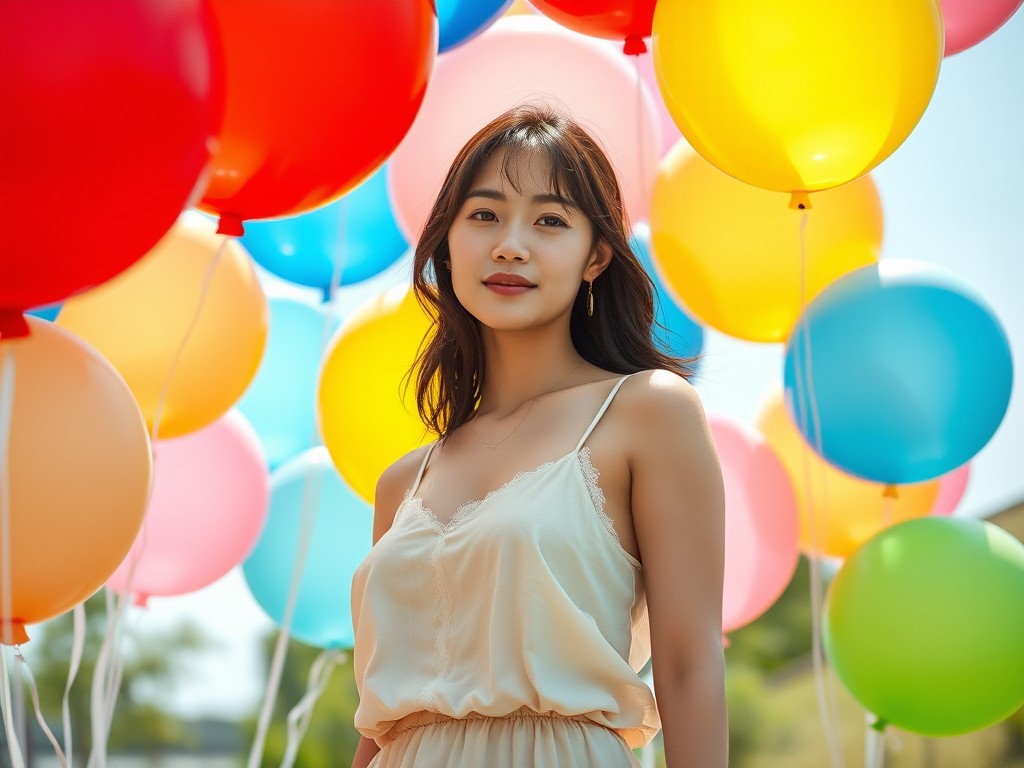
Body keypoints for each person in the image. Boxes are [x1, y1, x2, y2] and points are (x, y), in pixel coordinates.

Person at [350, 104, 726, 768]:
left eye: (549, 221)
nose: (510, 245)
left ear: (596, 256)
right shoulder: (403, 482)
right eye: (484, 214)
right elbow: (380, 724)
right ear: (448, 242)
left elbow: (689, 666)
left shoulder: (645, 412)